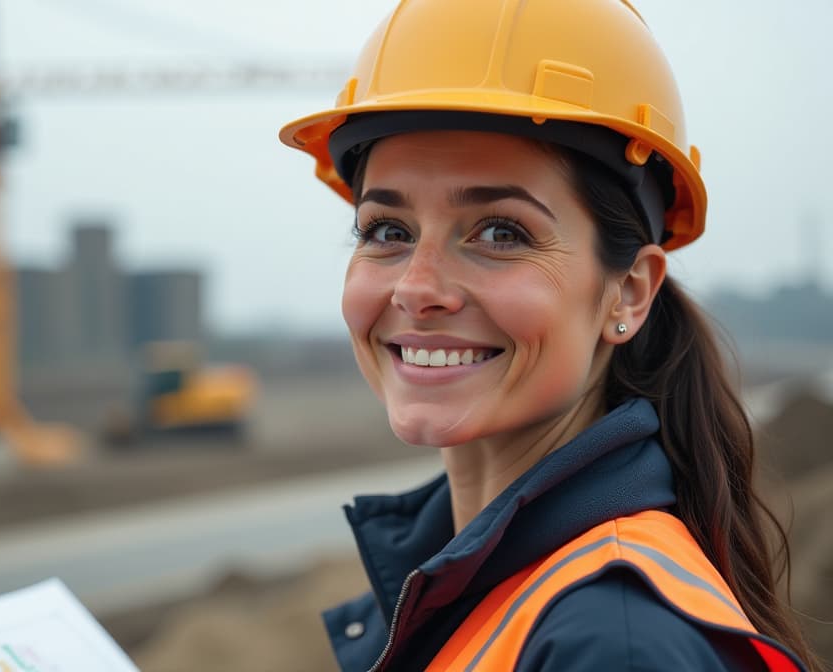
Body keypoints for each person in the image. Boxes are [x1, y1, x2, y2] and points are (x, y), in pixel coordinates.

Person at [278, 1, 822, 670]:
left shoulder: (613, 645)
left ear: (629, 292)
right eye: (387, 231)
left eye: (501, 233)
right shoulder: (484, 586)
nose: (417, 289)